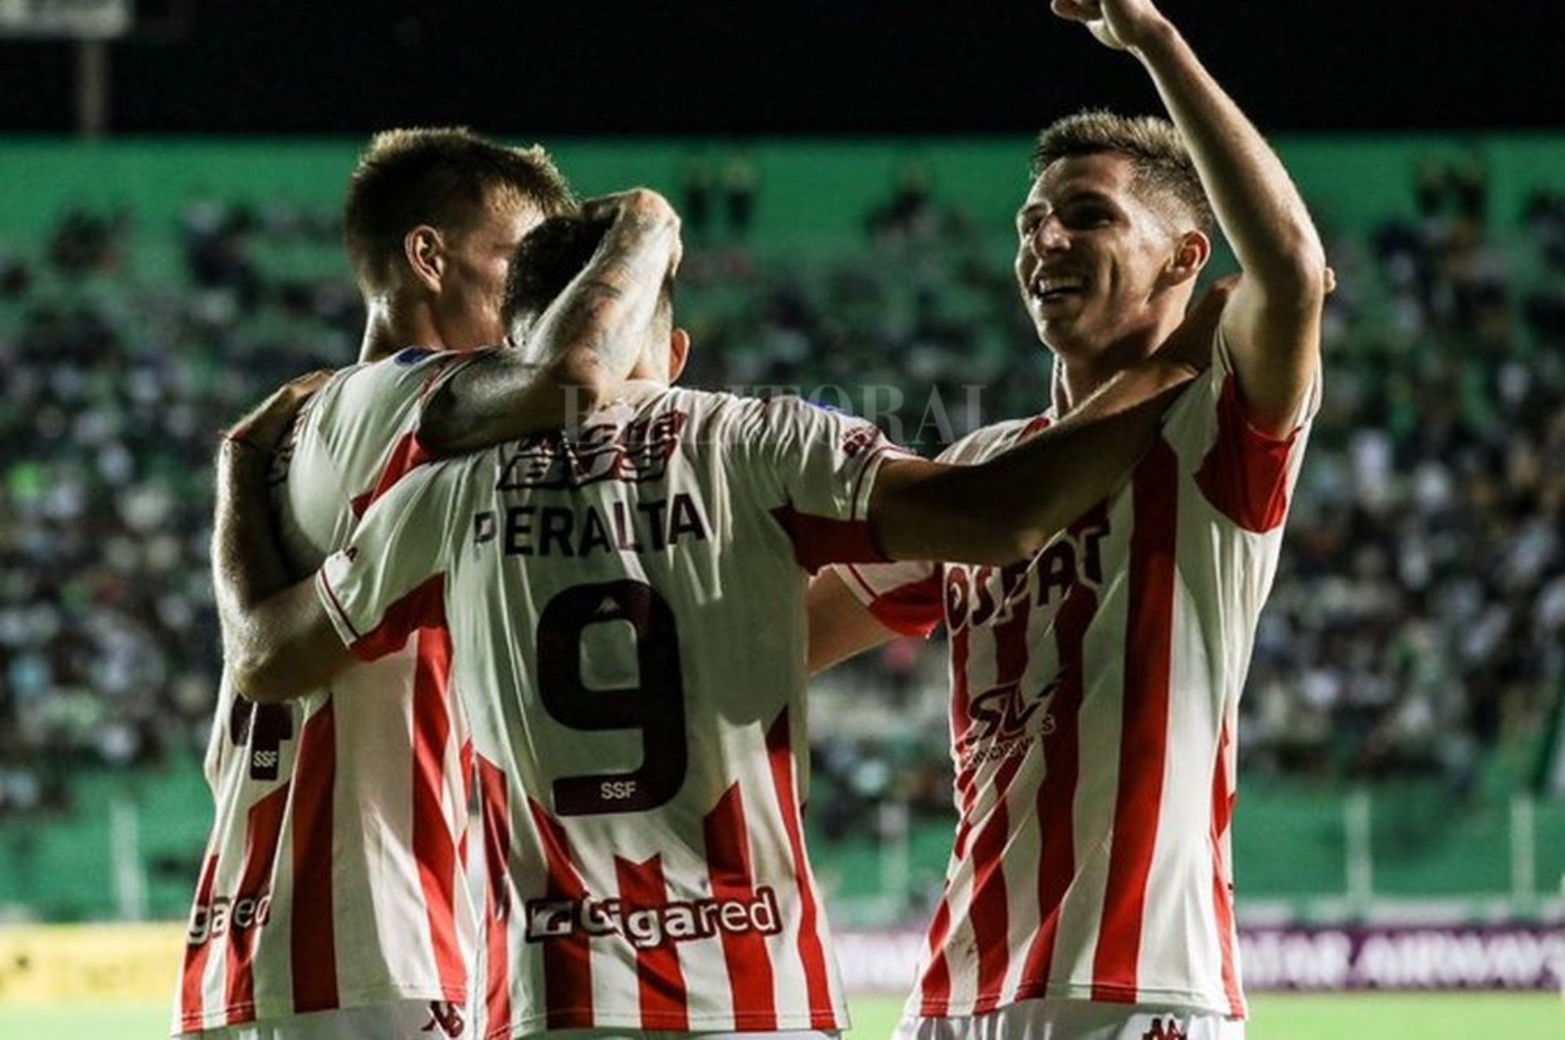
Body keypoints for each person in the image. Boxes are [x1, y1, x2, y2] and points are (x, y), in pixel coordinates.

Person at [214, 203, 1227, 1038]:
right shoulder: (755, 440)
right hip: (760, 998)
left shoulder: (437, 499)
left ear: (513, 350)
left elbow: (265, 656)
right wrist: (1182, 361)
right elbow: (1001, 514)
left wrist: (236, 481)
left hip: (546, 997)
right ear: (675, 341)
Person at [808, 0, 1329, 1040]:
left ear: (1185, 256)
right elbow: (788, 634)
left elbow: (1287, 265)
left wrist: (1152, 41)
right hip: (954, 996)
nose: (1043, 238)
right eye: (1030, 223)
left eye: (1087, 216)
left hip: (1138, 993)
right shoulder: (981, 470)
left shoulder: (1212, 432)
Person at [175, 125, 683, 1040]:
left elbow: (255, 643)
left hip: (248, 951)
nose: (540, 296)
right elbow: (571, 376)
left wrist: (231, 472)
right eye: (519, 262)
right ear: (428, 258)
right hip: (375, 945)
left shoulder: (303, 426)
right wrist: (647, 222)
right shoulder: (412, 397)